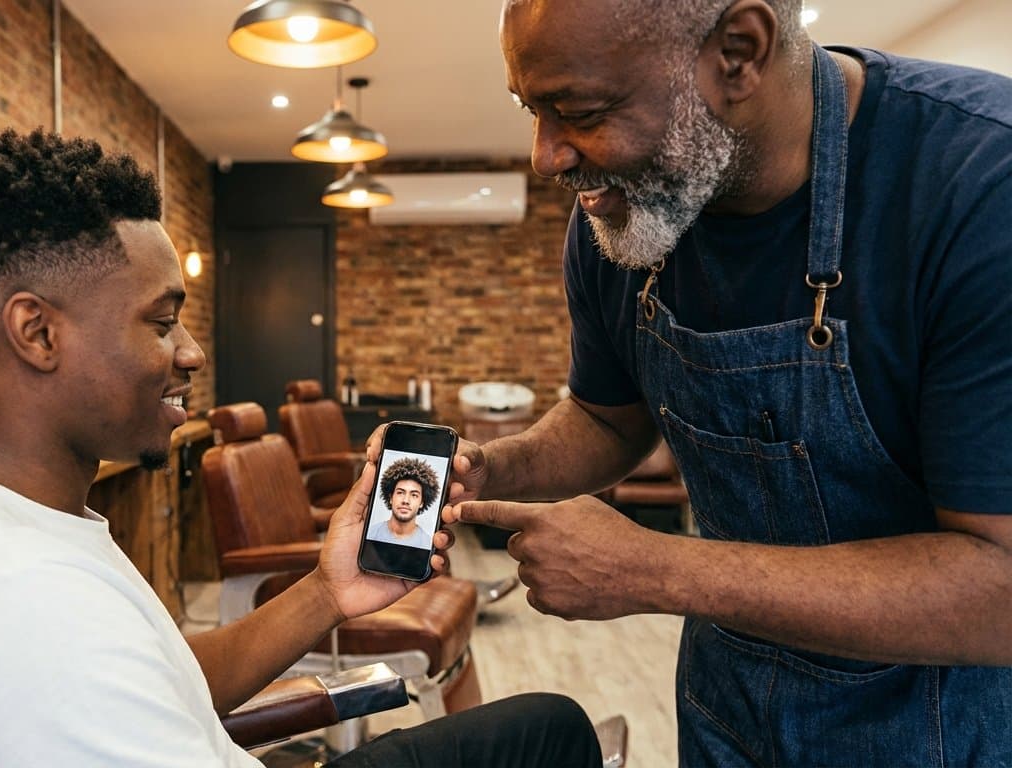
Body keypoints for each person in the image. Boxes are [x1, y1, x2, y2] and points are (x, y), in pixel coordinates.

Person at [0, 128, 603, 767]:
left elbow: (165, 682)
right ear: (38, 333)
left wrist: (328, 592)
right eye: (160, 320)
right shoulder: (25, 610)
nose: (191, 352)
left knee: (546, 727)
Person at [413, 0, 1012, 764]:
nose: (546, 156)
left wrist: (657, 568)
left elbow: (1001, 586)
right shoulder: (623, 219)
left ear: (739, 50)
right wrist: (491, 465)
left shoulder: (978, 188)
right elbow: (608, 420)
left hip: (942, 727)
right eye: (533, 110)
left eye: (582, 111)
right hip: (725, 705)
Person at [367, 457, 441, 547]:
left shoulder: (427, 544)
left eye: (414, 495)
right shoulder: (371, 533)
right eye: (400, 493)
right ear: (391, 498)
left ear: (422, 502)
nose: (406, 501)